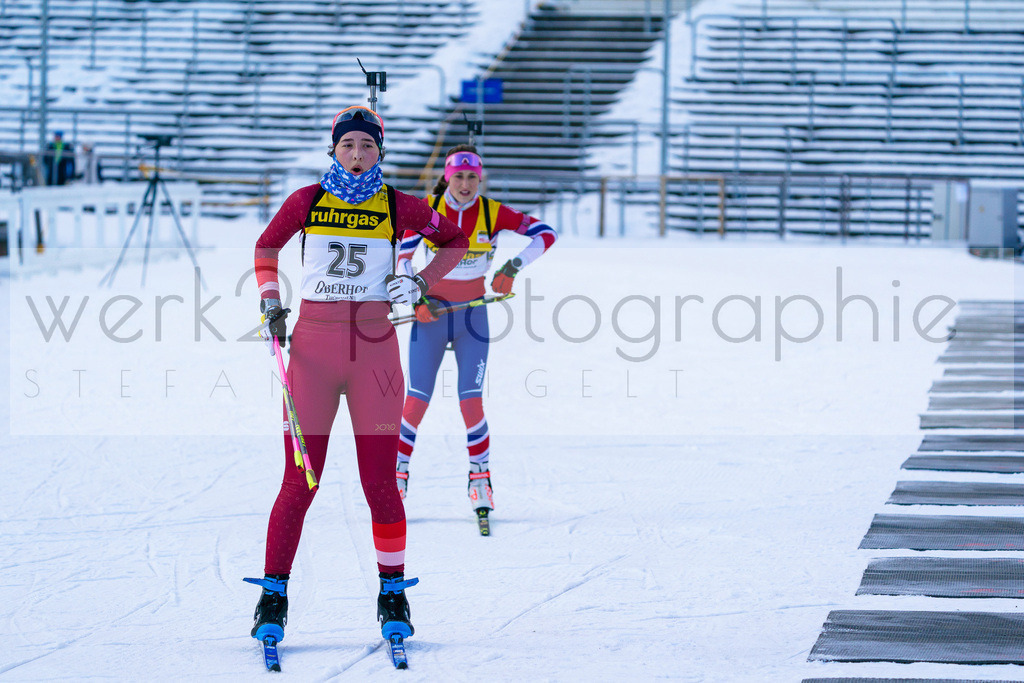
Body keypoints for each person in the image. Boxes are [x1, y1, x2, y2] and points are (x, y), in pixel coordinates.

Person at [243, 107, 469, 649]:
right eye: (349, 146)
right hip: (314, 352)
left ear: (380, 151)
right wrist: (271, 301)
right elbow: (266, 248)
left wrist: (418, 281)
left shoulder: (397, 203)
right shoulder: (307, 200)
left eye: (368, 145)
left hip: (374, 353)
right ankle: (273, 596)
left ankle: (393, 593)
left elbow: (456, 241)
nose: (358, 154)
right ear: (334, 149)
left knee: (381, 484)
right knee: (300, 481)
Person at [394, 144, 557, 524]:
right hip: (430, 315)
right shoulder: (428, 210)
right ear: (447, 176)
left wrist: (513, 267)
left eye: (472, 176)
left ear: (479, 178)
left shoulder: (491, 212)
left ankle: (480, 478)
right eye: (459, 175)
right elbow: (403, 257)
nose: (465, 184)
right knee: (416, 400)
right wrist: (415, 295)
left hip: (472, 317)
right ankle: (397, 476)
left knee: (472, 401)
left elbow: (545, 235)